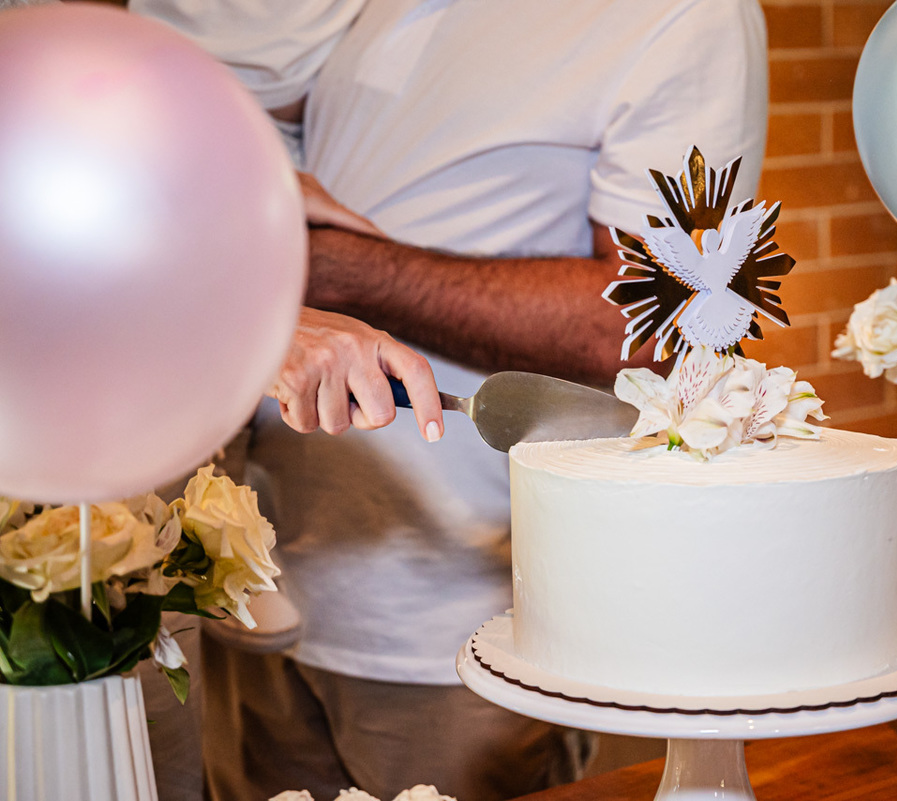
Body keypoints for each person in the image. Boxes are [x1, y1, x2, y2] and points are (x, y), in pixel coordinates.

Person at [129, 1, 769, 799]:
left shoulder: (683, 18)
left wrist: (338, 273)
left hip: (461, 630)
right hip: (261, 582)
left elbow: (667, 318)